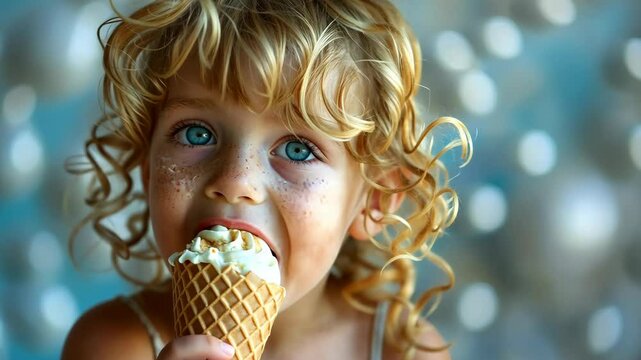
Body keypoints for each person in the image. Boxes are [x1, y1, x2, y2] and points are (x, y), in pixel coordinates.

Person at [61, 0, 472, 359]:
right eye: (196, 134)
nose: (237, 181)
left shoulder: (406, 352)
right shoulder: (112, 344)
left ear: (376, 200)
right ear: (147, 167)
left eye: (298, 149)